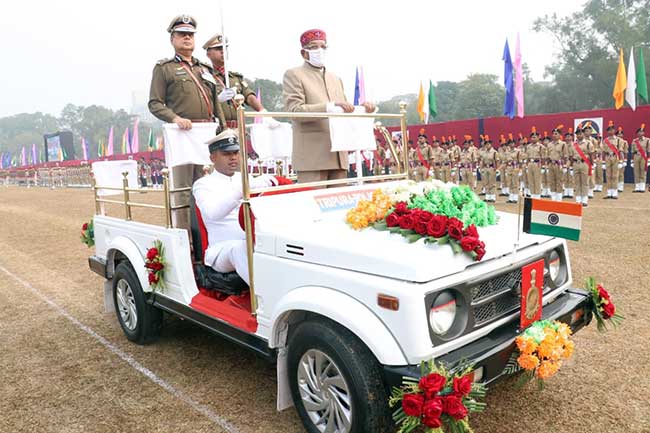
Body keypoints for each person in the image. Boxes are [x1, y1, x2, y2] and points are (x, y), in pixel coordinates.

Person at [148, 15, 224, 229]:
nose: (187, 38)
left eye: (190, 35)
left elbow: (215, 103)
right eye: (182, 34)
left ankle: (207, 235)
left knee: (208, 188)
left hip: (207, 134)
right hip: (181, 135)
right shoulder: (165, 68)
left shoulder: (204, 69)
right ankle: (184, 239)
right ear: (172, 39)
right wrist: (175, 118)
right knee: (183, 192)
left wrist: (223, 130)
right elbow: (155, 103)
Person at [282, 29, 376, 183]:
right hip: (313, 157)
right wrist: (328, 107)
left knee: (340, 206)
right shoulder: (294, 75)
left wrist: (364, 109)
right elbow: (295, 111)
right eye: (313, 47)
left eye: (323, 47)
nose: (319, 51)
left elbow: (344, 111)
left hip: (339, 154)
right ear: (303, 53)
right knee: (312, 204)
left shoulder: (335, 78)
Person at [193, 129, 278, 284]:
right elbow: (213, 213)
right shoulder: (202, 184)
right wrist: (243, 189)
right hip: (221, 251)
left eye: (236, 153)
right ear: (213, 157)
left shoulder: (245, 178)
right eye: (226, 154)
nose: (233, 158)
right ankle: (263, 295)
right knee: (239, 249)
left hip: (253, 241)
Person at [203, 33, 267, 128]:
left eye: (225, 49)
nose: (223, 52)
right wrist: (218, 99)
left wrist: (263, 112)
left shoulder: (235, 77)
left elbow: (249, 96)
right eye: (218, 49)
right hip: (218, 129)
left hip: (239, 128)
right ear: (208, 54)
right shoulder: (206, 77)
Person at [568, 127, 594, 206]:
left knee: (584, 182)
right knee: (577, 182)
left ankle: (585, 200)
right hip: (576, 163)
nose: (579, 135)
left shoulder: (588, 143)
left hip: (584, 163)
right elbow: (571, 156)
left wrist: (592, 165)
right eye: (577, 134)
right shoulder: (573, 145)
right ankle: (578, 199)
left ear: (583, 134)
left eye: (580, 134)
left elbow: (591, 154)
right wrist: (571, 166)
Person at [602, 121, 624, 199]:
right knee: (608, 176)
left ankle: (614, 193)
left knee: (615, 175)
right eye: (609, 130)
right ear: (607, 131)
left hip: (615, 158)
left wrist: (621, 161)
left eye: (612, 130)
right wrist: (603, 162)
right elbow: (603, 151)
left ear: (614, 131)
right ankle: (609, 193)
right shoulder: (605, 141)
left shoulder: (619, 140)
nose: (610, 131)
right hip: (607, 157)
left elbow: (621, 151)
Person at [547, 125, 567, 202]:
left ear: (560, 135)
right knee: (552, 181)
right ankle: (553, 197)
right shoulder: (549, 144)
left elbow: (565, 156)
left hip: (559, 164)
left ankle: (559, 198)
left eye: (556, 134)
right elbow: (547, 155)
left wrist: (564, 166)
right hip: (551, 164)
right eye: (553, 133)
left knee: (559, 181)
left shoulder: (563, 144)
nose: (554, 135)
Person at [478, 135, 498, 202]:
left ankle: (492, 196)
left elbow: (496, 161)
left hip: (492, 168)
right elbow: (483, 161)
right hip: (485, 168)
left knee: (492, 183)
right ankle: (487, 196)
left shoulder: (494, 152)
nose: (487, 145)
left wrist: (497, 169)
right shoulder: (484, 152)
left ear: (491, 145)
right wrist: (481, 168)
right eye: (486, 144)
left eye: (488, 144)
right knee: (486, 182)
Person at [631, 124, 649, 192]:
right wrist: (632, 160)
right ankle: (637, 187)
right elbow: (632, 151)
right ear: (637, 133)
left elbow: (648, 150)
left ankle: (642, 187)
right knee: (636, 172)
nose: (640, 133)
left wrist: (649, 159)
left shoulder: (647, 140)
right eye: (639, 132)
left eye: (641, 132)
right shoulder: (634, 141)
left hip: (644, 156)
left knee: (643, 171)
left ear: (644, 133)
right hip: (636, 156)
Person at [616, 127, 628, 192]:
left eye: (621, 134)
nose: (619, 135)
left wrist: (625, 160)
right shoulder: (613, 141)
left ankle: (620, 187)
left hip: (621, 157)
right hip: (614, 157)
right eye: (618, 134)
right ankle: (615, 186)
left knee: (621, 173)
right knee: (614, 173)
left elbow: (626, 151)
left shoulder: (625, 142)